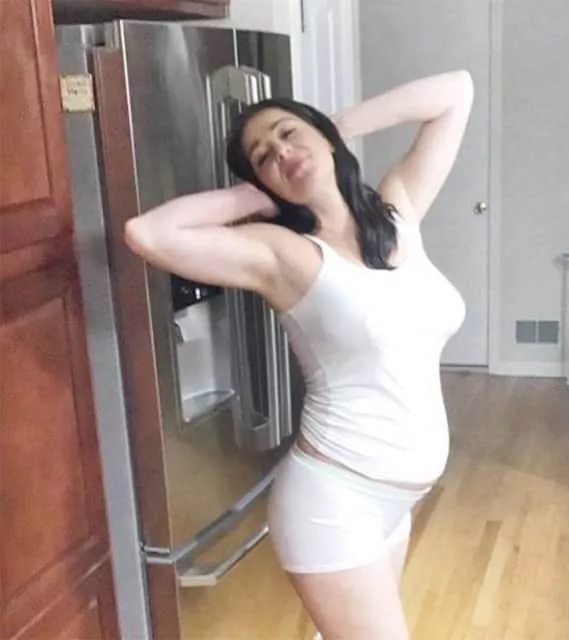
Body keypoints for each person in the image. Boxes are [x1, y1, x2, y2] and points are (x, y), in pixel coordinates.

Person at [125, 70, 474, 640]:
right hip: (335, 500)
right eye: (263, 157)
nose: (281, 152)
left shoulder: (397, 212)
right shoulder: (280, 252)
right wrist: (251, 195)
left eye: (288, 134)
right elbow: (147, 233)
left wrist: (335, 126)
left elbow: (456, 92)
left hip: (395, 502)